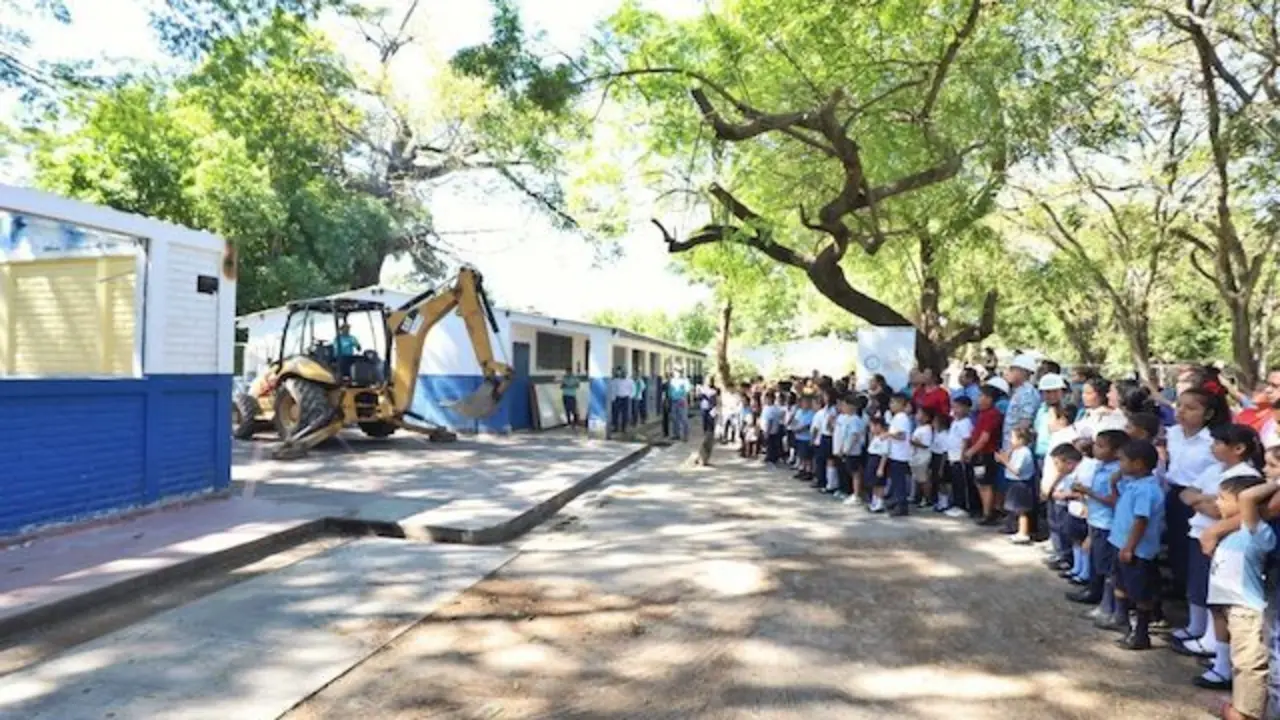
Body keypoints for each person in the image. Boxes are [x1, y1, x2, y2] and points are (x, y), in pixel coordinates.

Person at [1179, 423, 1266, 690]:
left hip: (1225, 547)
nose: (1212, 447)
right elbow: (1186, 494)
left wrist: (1204, 502)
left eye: (1218, 443)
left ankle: (1225, 667)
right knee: (1209, 599)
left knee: (1227, 612)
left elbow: (1221, 513)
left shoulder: (1246, 476)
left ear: (1238, 448)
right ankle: (1219, 660)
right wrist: (1203, 501)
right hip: (1204, 537)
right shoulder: (1214, 470)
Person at [1206, 474, 1276, 720]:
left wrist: (1276, 482)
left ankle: (1247, 712)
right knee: (1240, 661)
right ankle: (1241, 705)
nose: (1217, 503)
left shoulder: (1257, 532)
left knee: (1249, 664)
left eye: (1223, 499)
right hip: (1233, 608)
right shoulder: (1232, 533)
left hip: (1247, 609)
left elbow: (1248, 497)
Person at [1104, 438, 1166, 650]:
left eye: (1122, 460)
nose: (1119, 464)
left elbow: (1141, 519)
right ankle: (1123, 622)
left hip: (1137, 550)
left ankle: (1141, 633)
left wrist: (1130, 546)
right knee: (1120, 583)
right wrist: (1113, 483)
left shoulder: (1146, 490)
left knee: (1140, 592)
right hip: (1121, 544)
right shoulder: (1134, 485)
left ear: (1138, 463)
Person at [1068, 429, 1127, 612]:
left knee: (1107, 566)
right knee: (1095, 560)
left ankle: (1107, 604)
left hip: (1107, 524)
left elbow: (1116, 501)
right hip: (1095, 519)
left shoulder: (1117, 473)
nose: (1095, 449)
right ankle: (1093, 591)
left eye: (1101, 446)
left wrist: (1089, 492)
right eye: (1095, 444)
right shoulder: (1099, 466)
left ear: (1117, 451)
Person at [964, 379, 1006, 525]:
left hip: (985, 454)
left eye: (981, 396)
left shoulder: (991, 414)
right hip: (980, 454)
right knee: (981, 483)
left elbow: (985, 438)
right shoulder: (983, 414)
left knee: (985, 484)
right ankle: (986, 510)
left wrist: (971, 451)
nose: (978, 399)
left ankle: (988, 513)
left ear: (989, 399)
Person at [997, 426, 1038, 544]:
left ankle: (1023, 533)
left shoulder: (1025, 452)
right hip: (1012, 481)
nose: (1011, 440)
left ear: (1021, 440)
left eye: (1013, 438)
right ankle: (1014, 528)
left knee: (1021, 510)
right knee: (1014, 508)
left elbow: (1017, 470)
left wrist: (1004, 461)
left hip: (1021, 483)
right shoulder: (1016, 450)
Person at [941, 396, 974, 517]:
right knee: (955, 482)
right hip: (952, 456)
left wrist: (962, 455)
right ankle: (956, 504)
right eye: (953, 407)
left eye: (958, 407)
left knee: (962, 483)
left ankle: (963, 506)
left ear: (966, 408)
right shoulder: (955, 421)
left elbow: (966, 439)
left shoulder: (966, 423)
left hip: (959, 457)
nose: (955, 410)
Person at [885, 392, 915, 517]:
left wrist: (888, 435)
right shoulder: (896, 417)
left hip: (900, 454)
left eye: (894, 402)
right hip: (895, 453)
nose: (891, 405)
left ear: (901, 404)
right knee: (895, 480)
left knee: (899, 481)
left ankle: (902, 505)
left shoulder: (902, 417)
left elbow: (901, 435)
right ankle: (895, 500)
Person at [909, 406, 937, 509]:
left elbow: (926, 444)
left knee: (924, 479)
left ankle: (927, 499)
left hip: (923, 457)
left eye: (920, 414)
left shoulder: (927, 429)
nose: (917, 415)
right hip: (916, 457)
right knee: (918, 479)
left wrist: (912, 442)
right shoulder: (919, 427)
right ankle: (918, 497)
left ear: (926, 417)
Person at [865, 414, 891, 514]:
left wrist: (881, 468)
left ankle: (879, 503)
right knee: (874, 483)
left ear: (878, 426)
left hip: (878, 460)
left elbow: (885, 454)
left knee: (879, 484)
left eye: (872, 426)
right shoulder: (876, 437)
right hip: (872, 458)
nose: (871, 429)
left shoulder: (884, 438)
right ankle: (874, 502)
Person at [667, 368, 691, 442]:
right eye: (674, 371)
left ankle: (685, 435)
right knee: (674, 418)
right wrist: (669, 398)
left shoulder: (684, 380)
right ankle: (676, 434)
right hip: (673, 400)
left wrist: (683, 398)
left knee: (683, 418)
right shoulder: (672, 380)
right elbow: (670, 390)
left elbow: (687, 390)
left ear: (680, 372)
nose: (675, 373)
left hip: (681, 400)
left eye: (677, 371)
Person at [611, 367, 633, 434]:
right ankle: (616, 427)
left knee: (625, 414)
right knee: (615, 414)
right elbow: (613, 389)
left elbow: (632, 389)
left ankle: (624, 428)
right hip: (618, 398)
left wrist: (630, 396)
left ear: (626, 374)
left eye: (625, 373)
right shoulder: (616, 381)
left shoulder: (630, 381)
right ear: (620, 373)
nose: (623, 374)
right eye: (622, 373)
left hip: (625, 398)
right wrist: (613, 398)